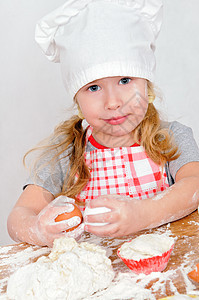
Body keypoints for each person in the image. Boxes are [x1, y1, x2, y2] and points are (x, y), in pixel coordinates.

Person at [7, 0, 199, 247]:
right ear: (77, 98)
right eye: (93, 87)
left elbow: (194, 185)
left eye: (125, 80)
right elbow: (18, 216)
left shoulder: (172, 137)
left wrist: (143, 215)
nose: (112, 102)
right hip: (101, 280)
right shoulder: (67, 151)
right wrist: (39, 229)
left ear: (147, 85)